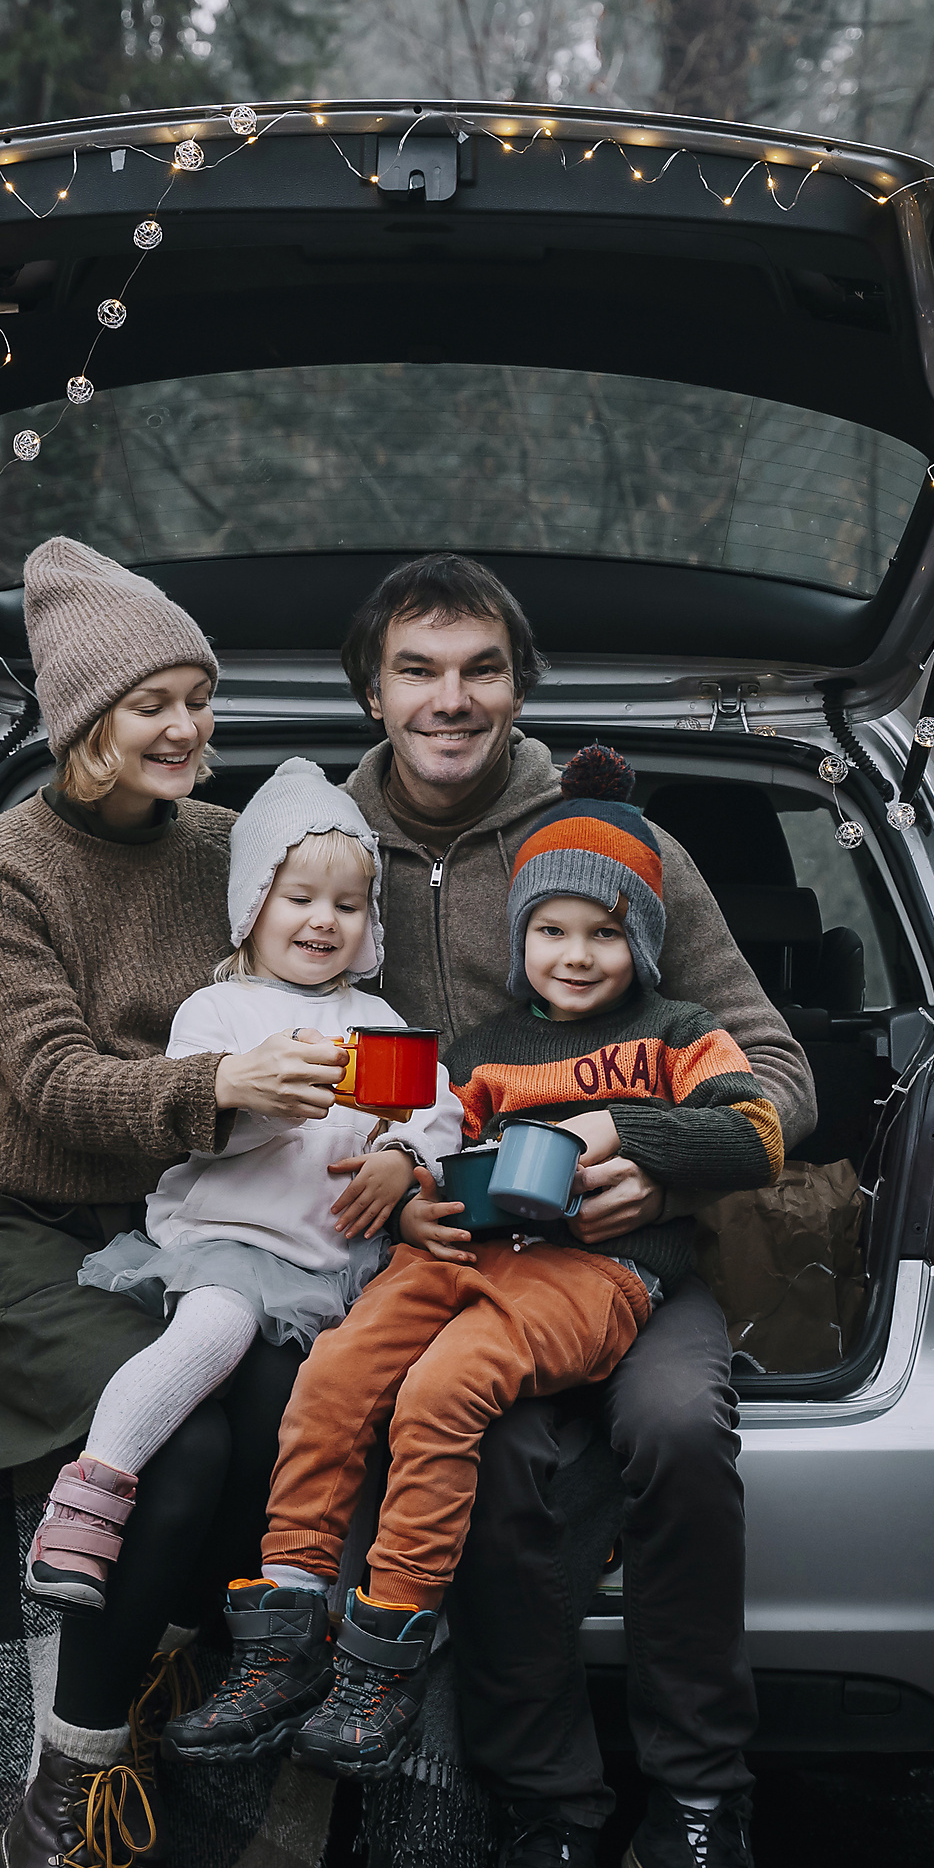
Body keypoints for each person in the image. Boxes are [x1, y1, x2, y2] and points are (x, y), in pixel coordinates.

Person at [340, 555, 810, 1868]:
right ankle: (553, 1825)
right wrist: (401, 1203)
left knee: (678, 1431)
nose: (450, 697)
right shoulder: (312, 848)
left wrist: (658, 1168)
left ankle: (697, 1820)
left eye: (478, 667)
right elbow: (276, 1067)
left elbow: (774, 1078)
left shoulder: (609, 848)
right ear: (375, 691)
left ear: (519, 686)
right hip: (462, 1267)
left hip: (645, 1268)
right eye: (420, 669)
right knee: (486, 1458)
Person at [0, 538, 349, 1868]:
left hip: (202, 1219)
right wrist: (220, 1088)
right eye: (153, 703)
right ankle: (63, 1813)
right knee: (190, 1452)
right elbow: (50, 1083)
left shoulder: (232, 850)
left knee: (290, 1421)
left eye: (199, 702)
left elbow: (353, 949)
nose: (185, 731)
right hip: (32, 1227)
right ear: (82, 719)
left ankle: (224, 1779)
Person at [164, 750, 784, 1791]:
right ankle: (283, 1623)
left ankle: (383, 1653)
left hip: (595, 1272)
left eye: (606, 933)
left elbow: (759, 1133)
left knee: (442, 1391)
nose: (576, 956)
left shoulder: (681, 1034)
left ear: (646, 939)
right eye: (551, 931)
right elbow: (430, 1132)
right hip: (463, 1246)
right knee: (337, 1374)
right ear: (518, 938)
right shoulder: (485, 1048)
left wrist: (624, 1134)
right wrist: (411, 1184)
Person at [25, 758, 463, 1610]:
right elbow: (197, 1120)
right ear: (252, 904)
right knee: (211, 1340)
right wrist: (270, 1102)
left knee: (337, 1409)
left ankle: (299, 1607)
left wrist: (404, 1157)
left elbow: (436, 1107)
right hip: (229, 1243)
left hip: (332, 1266)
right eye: (298, 898)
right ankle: (87, 1501)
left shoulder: (378, 1023)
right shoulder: (217, 1013)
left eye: (347, 904)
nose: (323, 922)